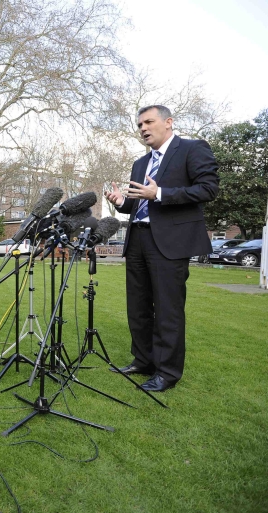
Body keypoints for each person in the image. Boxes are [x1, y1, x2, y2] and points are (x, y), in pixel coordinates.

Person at [104, 105, 219, 392]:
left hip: (169, 242)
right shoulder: (140, 163)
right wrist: (120, 201)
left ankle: (167, 373)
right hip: (138, 239)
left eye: (148, 122)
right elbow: (137, 205)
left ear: (168, 122)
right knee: (138, 308)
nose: (143, 128)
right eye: (140, 124)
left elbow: (208, 189)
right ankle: (143, 361)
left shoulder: (193, 149)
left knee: (168, 310)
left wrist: (161, 193)